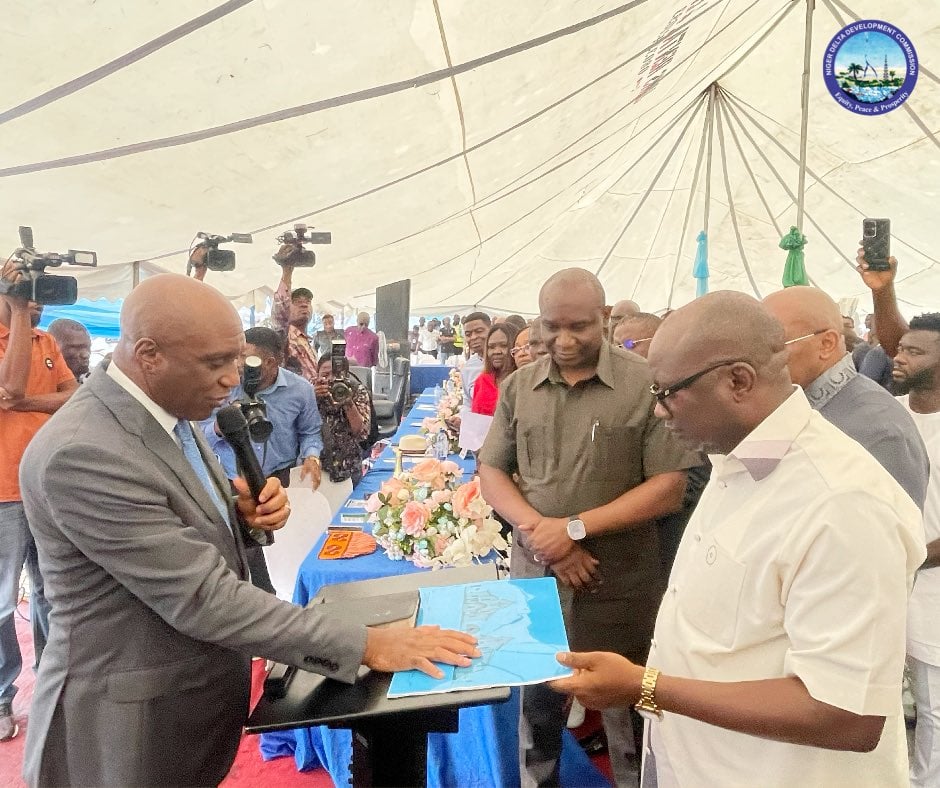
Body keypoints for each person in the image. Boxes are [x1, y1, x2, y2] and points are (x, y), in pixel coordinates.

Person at [17, 274, 479, 787]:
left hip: (180, 706)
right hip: (121, 732)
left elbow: (169, 529)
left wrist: (237, 518)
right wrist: (366, 645)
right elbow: (202, 598)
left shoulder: (169, 408)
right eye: (215, 363)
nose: (231, 379)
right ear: (149, 355)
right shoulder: (85, 452)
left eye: (236, 360)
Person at [549, 291, 925, 787]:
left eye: (666, 392)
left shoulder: (842, 502)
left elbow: (845, 714)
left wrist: (646, 686)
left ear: (738, 381)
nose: (658, 411)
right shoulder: (736, 460)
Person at [478, 268, 696, 787]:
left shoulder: (644, 382)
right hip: (537, 574)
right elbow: (491, 472)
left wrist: (574, 529)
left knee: (630, 714)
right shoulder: (519, 386)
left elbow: (669, 486)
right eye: (551, 326)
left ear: (604, 317)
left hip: (619, 578)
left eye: (578, 326)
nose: (564, 339)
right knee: (536, 707)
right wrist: (546, 535)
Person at [856, 250, 940, 786]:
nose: (897, 358)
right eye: (900, 349)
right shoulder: (891, 412)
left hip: (931, 588)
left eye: (914, 351)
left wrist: (906, 556)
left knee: (934, 710)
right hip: (883, 580)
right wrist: (881, 290)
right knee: (873, 697)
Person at [0, 268, 77, 743]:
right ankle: (1, 696)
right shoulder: (20, 336)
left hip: (46, 487)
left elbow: (72, 397)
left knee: (54, 590)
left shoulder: (45, 340)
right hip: (2, 494)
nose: (37, 302)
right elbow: (7, 387)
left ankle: (53, 683)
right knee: (1, 602)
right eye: (26, 293)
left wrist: (25, 402)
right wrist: (15, 312)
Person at [763, 286, 928, 508]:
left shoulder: (878, 429)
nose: (756, 358)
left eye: (772, 345)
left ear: (826, 344)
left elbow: (883, 526)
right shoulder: (789, 406)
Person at [202, 326, 324, 593]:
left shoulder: (300, 390)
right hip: (234, 483)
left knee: (283, 552)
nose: (239, 364)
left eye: (245, 358)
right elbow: (197, 435)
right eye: (237, 356)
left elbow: (310, 432)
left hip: (280, 482)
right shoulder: (225, 387)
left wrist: (312, 456)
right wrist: (220, 428)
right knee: (246, 555)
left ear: (270, 362)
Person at [314, 354, 371, 487]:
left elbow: (360, 431)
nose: (331, 379)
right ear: (317, 374)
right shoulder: (308, 391)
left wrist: (347, 402)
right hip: (316, 468)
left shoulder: (356, 390)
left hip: (348, 467)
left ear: (346, 375)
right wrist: (313, 397)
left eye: (337, 375)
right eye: (325, 375)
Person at [272, 260, 319, 384]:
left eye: (308, 301)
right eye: (297, 302)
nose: (304, 305)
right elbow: (280, 308)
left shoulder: (307, 342)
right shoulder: (284, 335)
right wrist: (287, 271)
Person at [471, 323, 518, 416]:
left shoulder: (522, 381)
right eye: (491, 347)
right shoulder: (482, 380)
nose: (496, 352)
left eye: (504, 345)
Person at [459, 311, 492, 403]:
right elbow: (468, 402)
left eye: (479, 331)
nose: (473, 337)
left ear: (491, 330)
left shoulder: (507, 362)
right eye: (468, 334)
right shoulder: (468, 367)